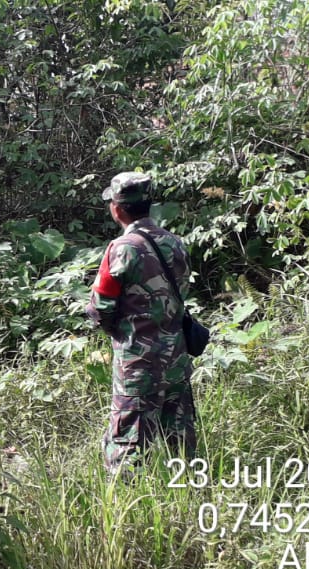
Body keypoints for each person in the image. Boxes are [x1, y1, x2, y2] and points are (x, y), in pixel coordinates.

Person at [86, 172, 197, 472]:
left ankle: (128, 500)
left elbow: (99, 309)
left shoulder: (121, 249)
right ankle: (191, 492)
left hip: (137, 365)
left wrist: (121, 332)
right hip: (176, 359)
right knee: (182, 445)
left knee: (127, 449)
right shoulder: (175, 243)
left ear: (117, 209)